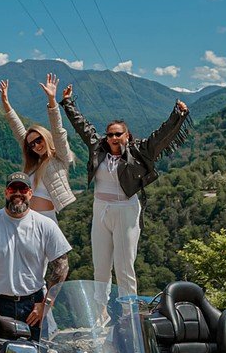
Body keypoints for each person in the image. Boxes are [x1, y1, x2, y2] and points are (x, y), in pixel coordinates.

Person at [60, 85, 191, 297]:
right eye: (110, 134)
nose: (113, 138)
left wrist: (178, 114)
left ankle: (128, 312)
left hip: (125, 210)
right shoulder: (98, 148)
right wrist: (67, 103)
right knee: (100, 267)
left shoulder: (139, 151)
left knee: (124, 267)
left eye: (118, 134)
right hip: (100, 209)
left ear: (127, 135)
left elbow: (161, 136)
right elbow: (82, 126)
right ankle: (101, 310)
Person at [0, 173, 71, 341]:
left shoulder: (46, 226)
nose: (18, 193)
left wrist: (46, 305)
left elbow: (62, 266)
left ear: (30, 193)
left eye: (23, 189)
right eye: (13, 189)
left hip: (33, 306)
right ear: (6, 192)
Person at [0, 73, 76, 220]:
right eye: (32, 144)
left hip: (47, 219)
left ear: (46, 137)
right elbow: (18, 130)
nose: (36, 145)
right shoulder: (34, 164)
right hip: (26, 217)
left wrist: (52, 100)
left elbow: (58, 131)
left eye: (39, 140)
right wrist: (6, 104)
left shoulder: (59, 157)